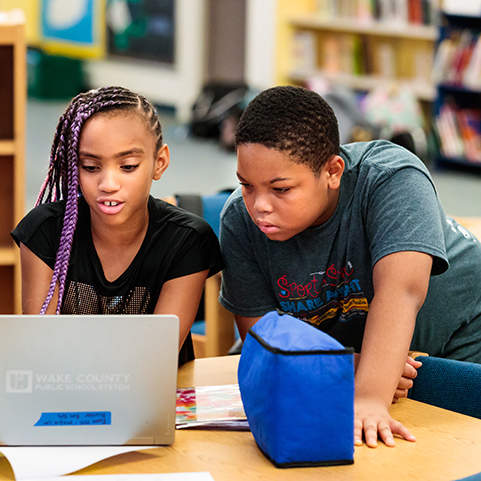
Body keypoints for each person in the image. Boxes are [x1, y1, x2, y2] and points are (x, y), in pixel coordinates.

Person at [219, 86, 481, 448]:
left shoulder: (392, 178)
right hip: (362, 360)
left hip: (458, 347)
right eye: (247, 185)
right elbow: (264, 338)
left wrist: (369, 396)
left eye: (280, 189)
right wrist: (350, 365)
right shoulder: (239, 219)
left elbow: (401, 293)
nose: (259, 205)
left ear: (332, 171)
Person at [12, 86, 223, 365]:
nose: (108, 185)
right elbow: (43, 353)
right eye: (90, 167)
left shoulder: (186, 240)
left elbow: (156, 359)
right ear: (72, 169)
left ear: (159, 162)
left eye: (128, 166)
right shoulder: (45, 232)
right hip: (67, 396)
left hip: (154, 399)